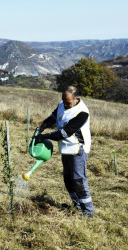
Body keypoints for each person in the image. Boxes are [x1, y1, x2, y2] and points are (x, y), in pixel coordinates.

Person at [34, 85, 94, 218]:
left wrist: (44, 137)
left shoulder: (82, 113)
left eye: (68, 102)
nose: (65, 105)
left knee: (78, 180)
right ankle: (77, 206)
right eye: (64, 101)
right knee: (68, 179)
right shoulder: (63, 103)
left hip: (78, 149)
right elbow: (53, 116)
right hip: (66, 149)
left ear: (76, 99)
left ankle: (88, 212)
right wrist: (42, 127)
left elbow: (64, 133)